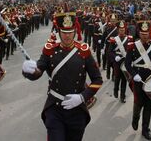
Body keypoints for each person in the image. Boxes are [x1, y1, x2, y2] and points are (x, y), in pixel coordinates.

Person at [22, 10, 103, 141]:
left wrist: (82, 97)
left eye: (70, 32)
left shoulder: (84, 52)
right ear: (59, 32)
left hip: (77, 110)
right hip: (55, 108)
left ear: (75, 32)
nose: (67, 36)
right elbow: (38, 71)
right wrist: (28, 70)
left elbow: (98, 79)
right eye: (64, 33)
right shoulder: (50, 50)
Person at [125, 21, 151, 140]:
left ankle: (145, 129)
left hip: (150, 79)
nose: (144, 36)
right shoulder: (132, 46)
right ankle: (135, 118)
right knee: (138, 102)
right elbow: (127, 64)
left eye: (146, 33)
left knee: (148, 105)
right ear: (139, 33)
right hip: (138, 79)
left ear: (149, 33)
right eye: (142, 33)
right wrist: (134, 74)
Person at [109, 20, 133, 103]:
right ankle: (116, 89)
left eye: (123, 30)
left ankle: (123, 96)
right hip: (117, 61)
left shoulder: (129, 39)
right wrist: (115, 56)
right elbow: (110, 51)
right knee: (117, 77)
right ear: (118, 30)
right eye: (120, 30)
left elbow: (131, 51)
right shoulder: (114, 40)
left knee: (124, 79)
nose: (122, 31)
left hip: (125, 61)